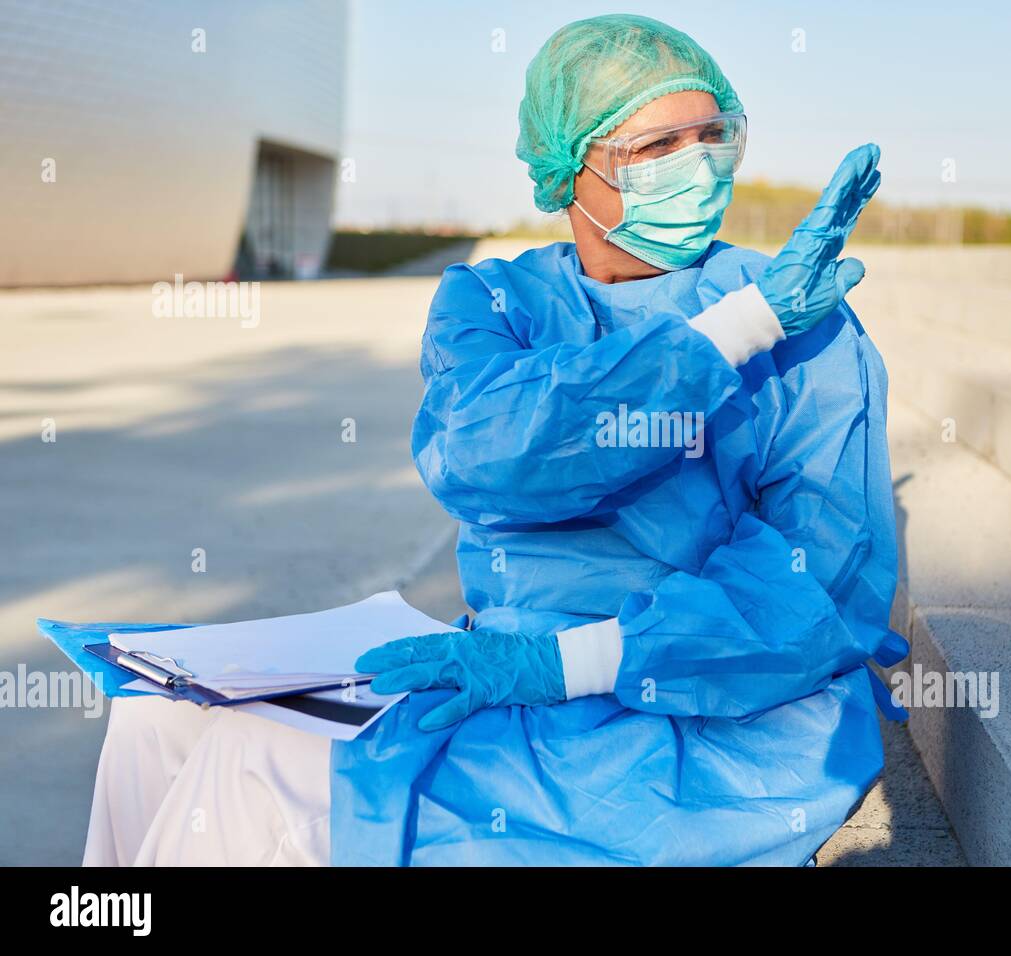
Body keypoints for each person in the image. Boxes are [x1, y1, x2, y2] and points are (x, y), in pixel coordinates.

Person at [79, 13, 905, 866]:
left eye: (714, 137)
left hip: (692, 711)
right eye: (657, 148)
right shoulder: (500, 301)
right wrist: (730, 334)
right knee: (155, 715)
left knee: (250, 773)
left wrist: (564, 663)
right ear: (567, 170)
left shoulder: (799, 320)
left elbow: (819, 586)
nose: (696, 168)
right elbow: (492, 455)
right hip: (496, 665)